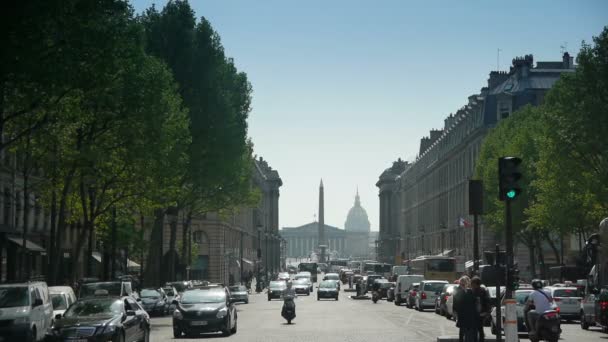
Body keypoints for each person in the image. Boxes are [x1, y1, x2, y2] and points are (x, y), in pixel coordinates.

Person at [453, 276, 476, 342]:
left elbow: (473, 302)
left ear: (467, 284)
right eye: (461, 284)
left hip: (469, 314)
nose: (462, 286)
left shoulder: (470, 291)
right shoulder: (458, 290)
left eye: (463, 284)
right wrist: (455, 312)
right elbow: (456, 302)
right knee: (462, 329)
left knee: (468, 330)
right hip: (462, 313)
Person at [471, 277, 490, 342]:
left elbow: (487, 302)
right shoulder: (482, 291)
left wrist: (486, 312)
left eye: (472, 283)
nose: (472, 285)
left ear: (476, 284)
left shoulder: (479, 291)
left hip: (479, 313)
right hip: (478, 313)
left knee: (478, 328)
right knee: (479, 328)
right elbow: (487, 302)